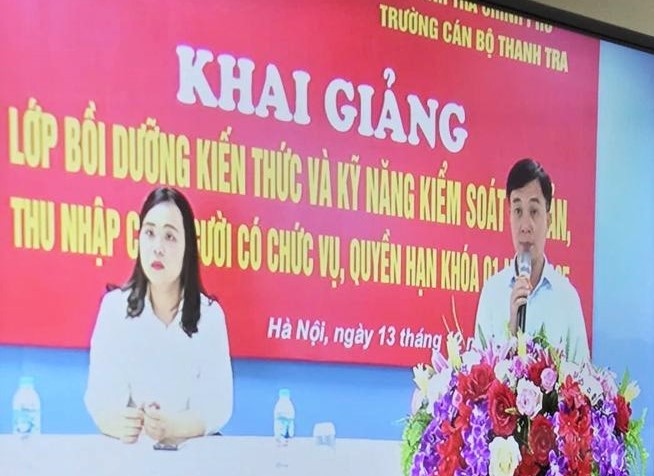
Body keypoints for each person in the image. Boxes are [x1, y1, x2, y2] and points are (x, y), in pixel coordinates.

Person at [84, 187, 233, 444]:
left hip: (192, 456)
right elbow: (102, 400)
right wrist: (119, 422)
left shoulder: (209, 316)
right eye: (150, 233)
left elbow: (217, 407)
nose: (157, 248)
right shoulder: (114, 309)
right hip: (132, 454)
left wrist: (173, 427)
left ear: (188, 247)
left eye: (170, 236)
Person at [474, 158, 590, 363]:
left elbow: (582, 374)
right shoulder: (492, 293)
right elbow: (477, 372)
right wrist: (511, 331)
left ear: (549, 220)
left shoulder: (567, 298)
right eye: (518, 211)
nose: (525, 225)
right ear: (509, 217)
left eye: (534, 212)